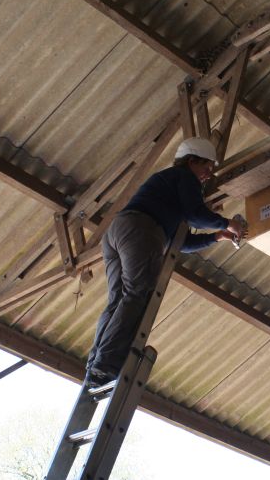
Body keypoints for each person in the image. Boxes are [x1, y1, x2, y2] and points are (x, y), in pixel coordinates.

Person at [84, 137, 246, 387]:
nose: (207, 174)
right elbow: (195, 214)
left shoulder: (167, 187)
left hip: (119, 231)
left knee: (119, 300)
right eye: (206, 167)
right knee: (137, 294)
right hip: (141, 230)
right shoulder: (184, 177)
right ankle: (105, 366)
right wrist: (227, 223)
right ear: (192, 161)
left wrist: (216, 236)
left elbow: (180, 243)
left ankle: (95, 364)